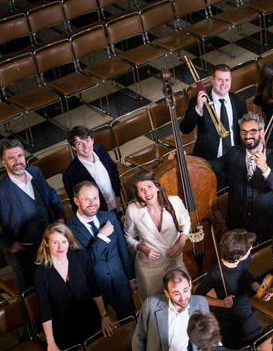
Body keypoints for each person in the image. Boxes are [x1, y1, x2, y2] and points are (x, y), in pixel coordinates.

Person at [34, 223, 114, 351]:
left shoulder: (80, 256)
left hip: (90, 320)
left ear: (69, 241)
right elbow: (45, 309)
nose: (60, 247)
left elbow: (94, 288)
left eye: (63, 241)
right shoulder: (42, 272)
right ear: (46, 243)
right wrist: (51, 342)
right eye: (55, 242)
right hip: (64, 328)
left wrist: (104, 315)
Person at [0, 139, 65, 294]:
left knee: (59, 286)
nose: (17, 161)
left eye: (20, 156)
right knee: (35, 295)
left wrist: (60, 217)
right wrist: (7, 244)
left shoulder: (35, 172)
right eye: (11, 158)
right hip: (25, 255)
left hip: (50, 244)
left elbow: (51, 195)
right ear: (4, 163)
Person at [67, 181, 136, 321]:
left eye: (95, 198)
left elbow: (122, 248)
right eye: (87, 199)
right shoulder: (69, 230)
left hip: (120, 280)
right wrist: (101, 237)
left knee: (131, 321)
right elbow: (85, 263)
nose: (93, 203)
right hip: (96, 289)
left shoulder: (110, 217)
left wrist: (131, 277)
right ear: (76, 201)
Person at [195, 230, 273, 350]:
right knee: (246, 349)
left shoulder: (245, 259)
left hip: (246, 309)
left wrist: (259, 289)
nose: (251, 248)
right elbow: (198, 296)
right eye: (248, 248)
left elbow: (246, 276)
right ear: (238, 256)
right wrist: (221, 303)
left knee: (261, 344)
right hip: (229, 318)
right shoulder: (216, 273)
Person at [123, 171, 191, 301]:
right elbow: (128, 236)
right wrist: (143, 249)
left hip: (174, 261)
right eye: (141, 189)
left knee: (184, 297)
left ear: (157, 187)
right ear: (137, 193)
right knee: (153, 302)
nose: (147, 193)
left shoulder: (175, 202)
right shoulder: (133, 210)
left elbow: (186, 221)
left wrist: (182, 240)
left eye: (149, 187)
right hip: (150, 266)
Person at [220, 112, 273, 243]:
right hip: (239, 224)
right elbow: (213, 166)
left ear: (262, 132)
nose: (247, 136)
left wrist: (265, 169)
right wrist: (185, 159)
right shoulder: (233, 153)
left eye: (252, 131)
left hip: (268, 223)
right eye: (243, 131)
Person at [179, 64, 248, 185]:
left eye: (227, 80)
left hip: (235, 158)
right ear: (212, 79)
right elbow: (185, 129)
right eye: (219, 79)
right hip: (210, 161)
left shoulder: (238, 100)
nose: (223, 84)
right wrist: (198, 108)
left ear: (231, 80)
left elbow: (245, 128)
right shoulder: (198, 100)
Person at [63, 126, 122, 214]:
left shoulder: (101, 151)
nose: (85, 146)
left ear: (92, 140)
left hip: (116, 204)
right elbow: (77, 204)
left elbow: (114, 172)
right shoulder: (70, 174)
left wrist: (118, 195)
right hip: (99, 214)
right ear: (73, 147)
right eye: (79, 143)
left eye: (87, 140)